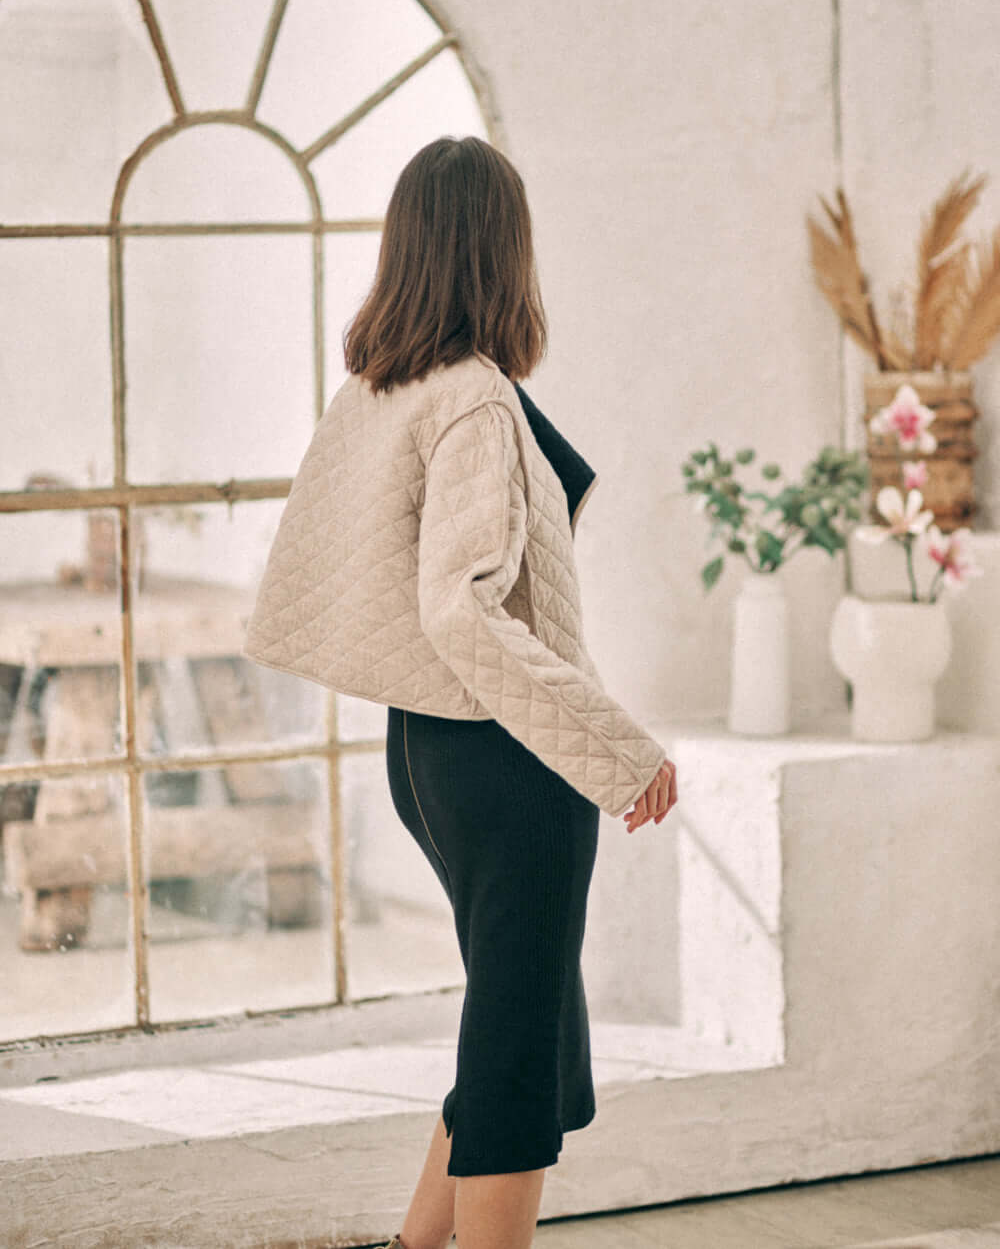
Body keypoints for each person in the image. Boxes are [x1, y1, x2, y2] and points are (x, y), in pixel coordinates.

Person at [244, 135, 677, 1249]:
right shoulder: (475, 400)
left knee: (512, 1022)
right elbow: (457, 609)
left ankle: (411, 1247)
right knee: (518, 1045)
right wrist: (619, 750)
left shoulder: (383, 389)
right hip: (503, 759)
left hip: (424, 755)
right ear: (504, 253)